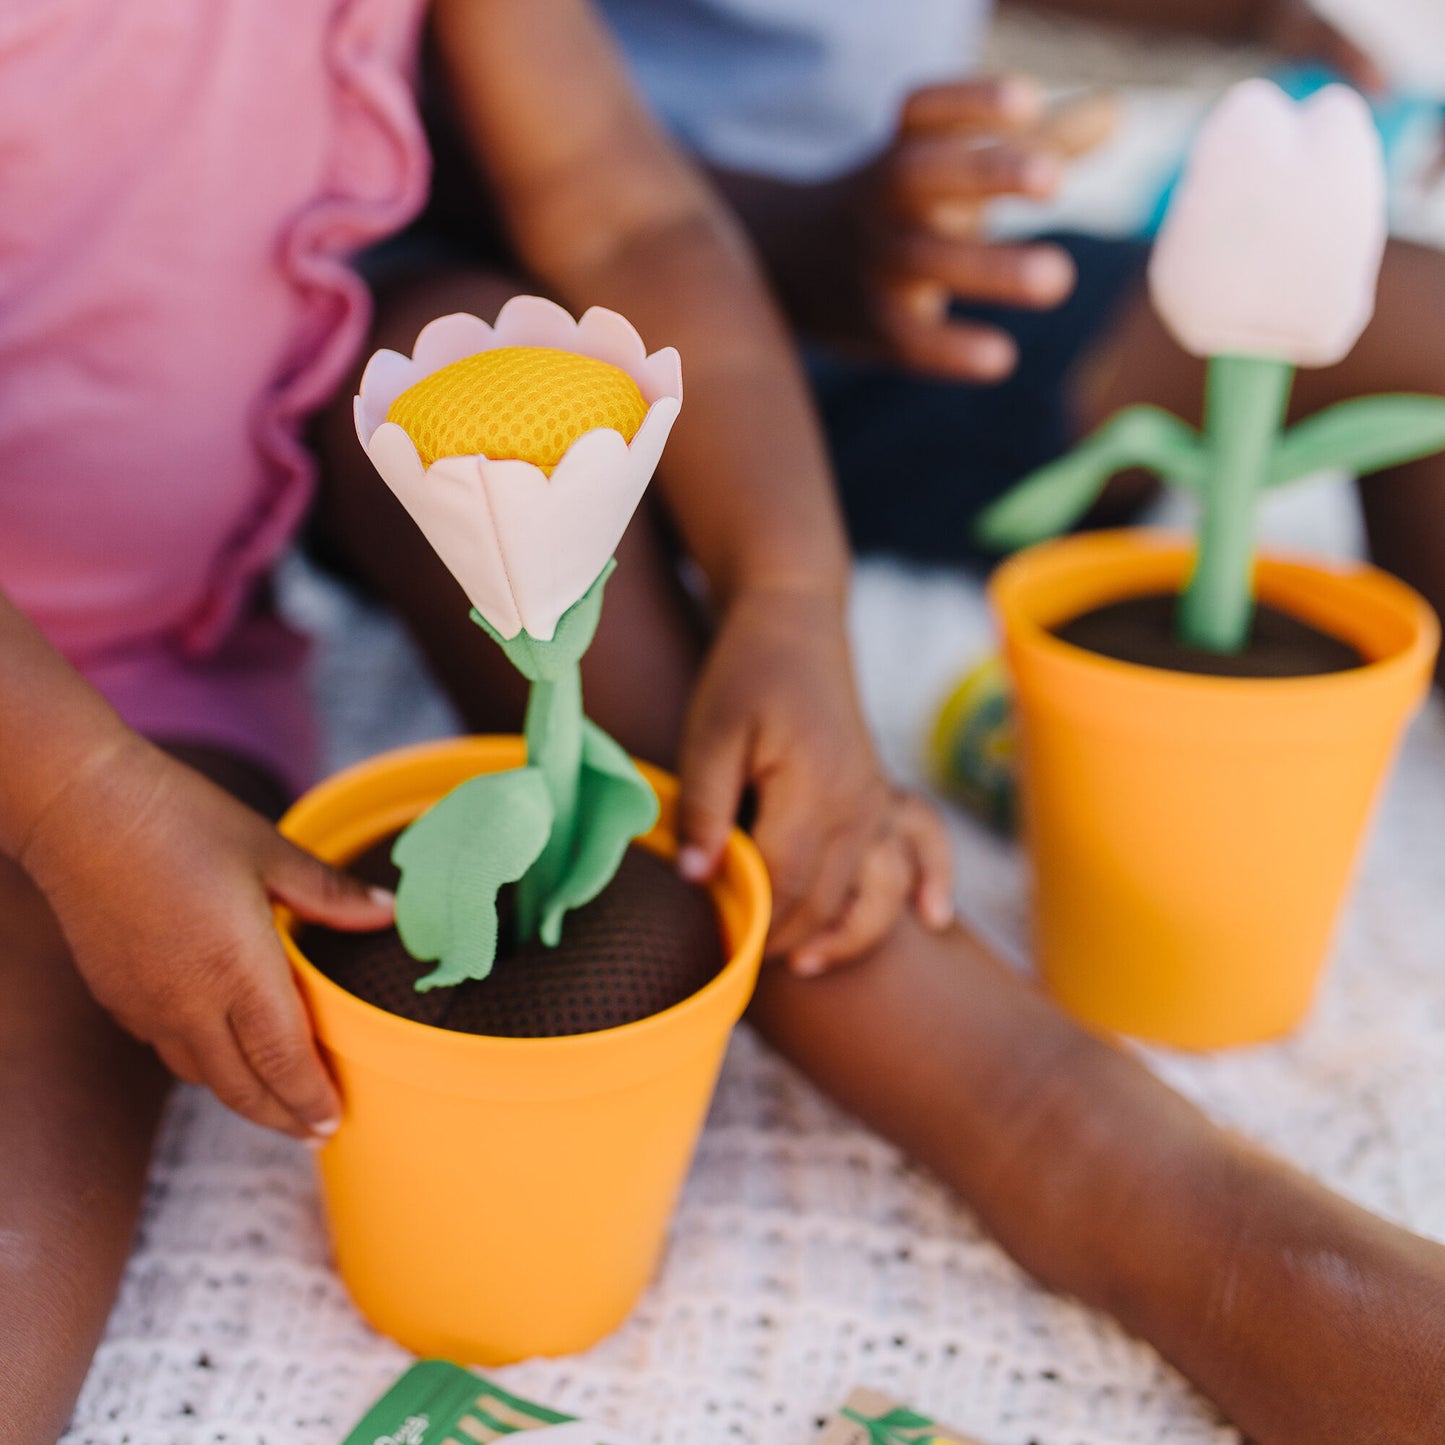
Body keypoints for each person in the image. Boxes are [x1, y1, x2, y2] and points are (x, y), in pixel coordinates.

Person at [2, 9, 1443, 1445]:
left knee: (686, 754)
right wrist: (79, 805)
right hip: (58, 731)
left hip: (170, 670)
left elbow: (625, 217)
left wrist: (788, 597)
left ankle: (1183, 1218)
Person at [567, 0, 1445, 682]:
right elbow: (457, 117)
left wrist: (1258, 13)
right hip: (601, 331)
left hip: (921, 278)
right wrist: (790, 233)